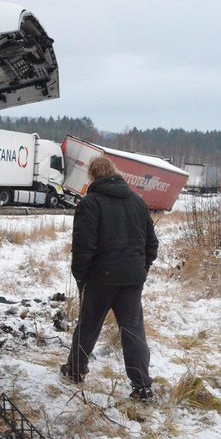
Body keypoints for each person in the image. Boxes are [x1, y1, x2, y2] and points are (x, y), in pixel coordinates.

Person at [62, 156, 159, 401]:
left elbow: (84, 247)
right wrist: (141, 268)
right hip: (132, 279)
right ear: (115, 173)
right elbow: (152, 244)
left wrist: (81, 276)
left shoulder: (90, 203)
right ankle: (142, 386)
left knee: (88, 326)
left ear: (93, 177)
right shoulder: (137, 201)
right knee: (133, 330)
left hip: (100, 279)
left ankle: (75, 371)